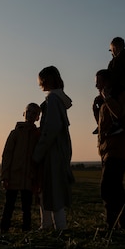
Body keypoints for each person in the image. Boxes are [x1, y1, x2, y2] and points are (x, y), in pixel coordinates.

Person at [32, 66, 74, 230]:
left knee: (53, 189)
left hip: (53, 153)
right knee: (47, 189)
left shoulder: (53, 100)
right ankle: (47, 224)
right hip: (56, 151)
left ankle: (60, 228)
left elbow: (51, 129)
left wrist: (38, 153)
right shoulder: (57, 99)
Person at [95, 68, 125, 230]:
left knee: (108, 188)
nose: (96, 85)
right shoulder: (105, 99)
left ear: (108, 82)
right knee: (116, 189)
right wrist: (97, 107)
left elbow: (118, 113)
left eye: (99, 81)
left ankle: (111, 225)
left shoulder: (123, 96)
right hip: (107, 150)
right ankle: (123, 225)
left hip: (118, 150)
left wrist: (107, 97)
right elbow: (103, 124)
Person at [0, 103, 42, 233]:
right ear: (24, 114)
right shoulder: (15, 133)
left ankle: (26, 232)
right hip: (13, 176)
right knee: (9, 206)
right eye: (28, 112)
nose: (30, 115)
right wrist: (5, 176)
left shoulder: (38, 135)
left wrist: (36, 178)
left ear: (37, 117)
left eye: (34, 113)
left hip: (29, 177)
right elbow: (6, 155)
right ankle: (3, 232)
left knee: (27, 208)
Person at [93, 37, 125, 134]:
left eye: (111, 50)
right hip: (121, 86)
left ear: (115, 48)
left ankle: (114, 124)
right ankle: (103, 124)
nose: (111, 53)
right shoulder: (123, 59)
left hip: (117, 87)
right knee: (99, 101)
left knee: (102, 101)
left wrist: (107, 88)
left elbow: (113, 75)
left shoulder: (117, 61)